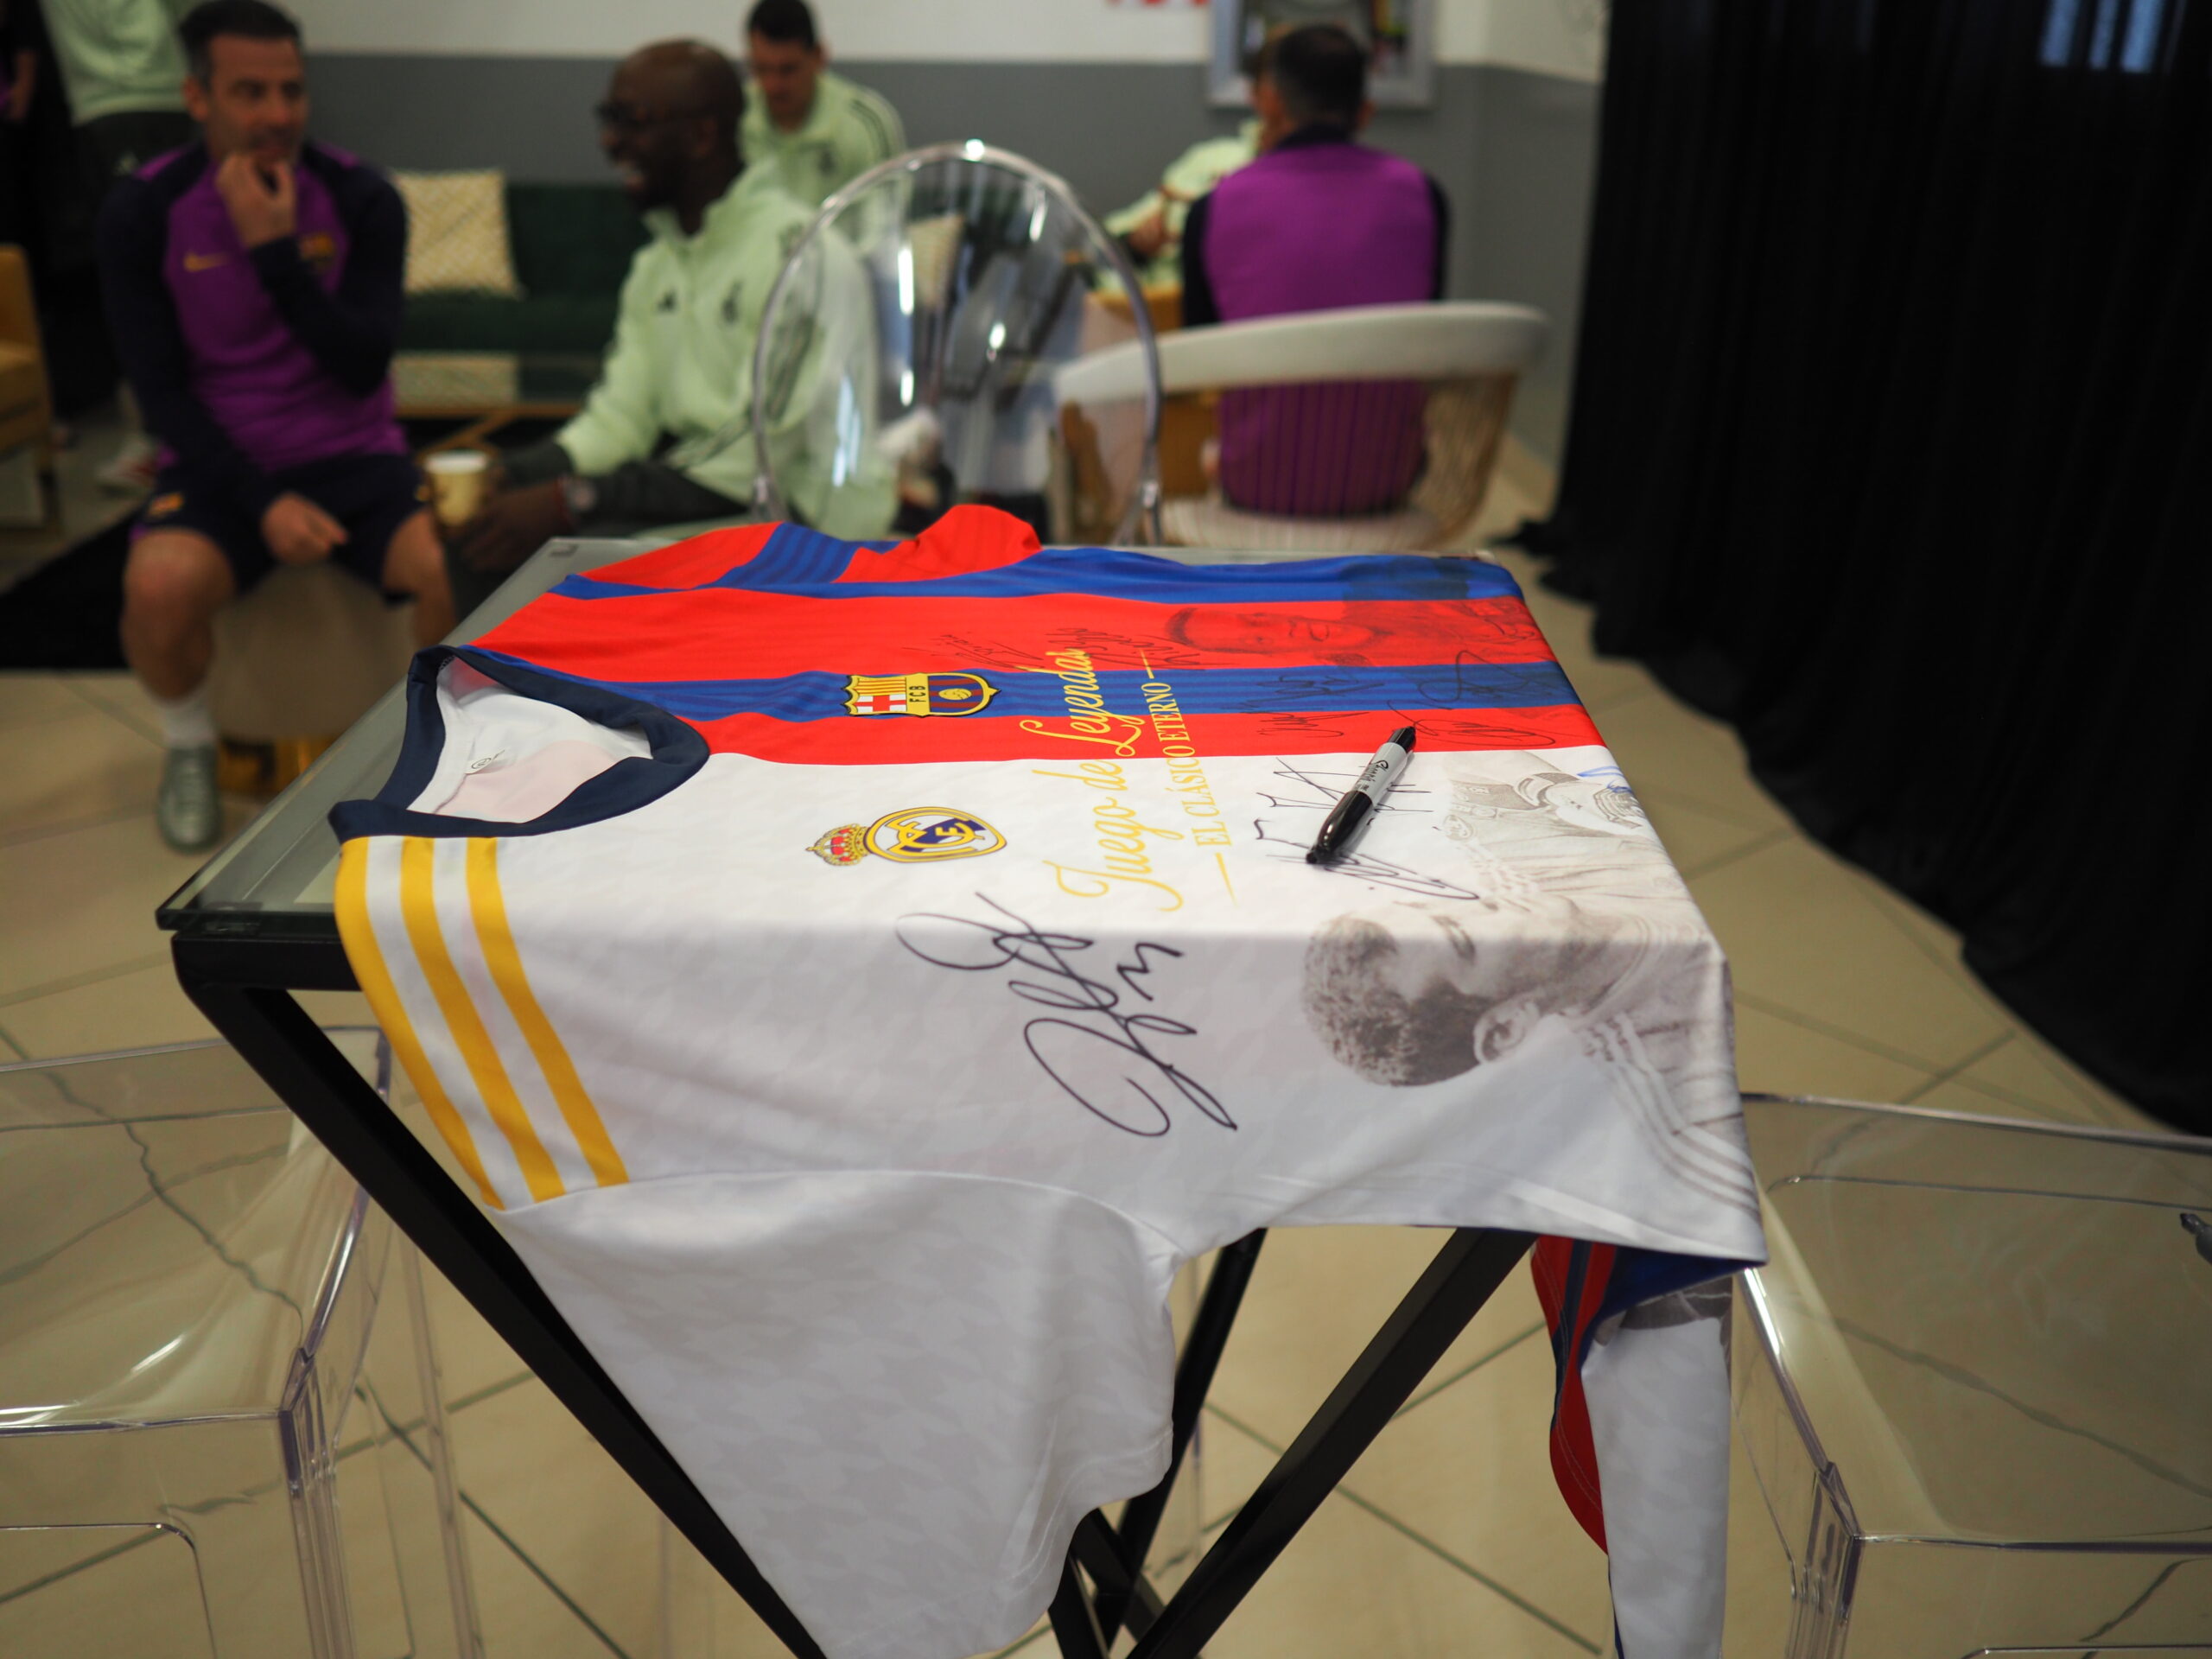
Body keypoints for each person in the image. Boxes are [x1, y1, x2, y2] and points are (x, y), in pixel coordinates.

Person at [97, 0, 449, 852]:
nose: (277, 115)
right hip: (219, 467)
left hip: (357, 454)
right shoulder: (143, 210)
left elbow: (363, 364)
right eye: (249, 92)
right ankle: (189, 745)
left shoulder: (362, 196)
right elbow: (160, 392)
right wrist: (262, 503)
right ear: (198, 97)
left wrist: (274, 252)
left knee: (456, 572)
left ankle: (443, 750)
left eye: (291, 91)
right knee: (155, 590)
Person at [446, 39, 887, 618]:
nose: (610, 142)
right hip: (716, 499)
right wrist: (515, 475)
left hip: (809, 522)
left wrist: (575, 498)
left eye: (633, 121)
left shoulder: (800, 255)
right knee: (486, 537)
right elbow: (620, 419)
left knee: (572, 559)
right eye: (608, 118)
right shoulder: (657, 265)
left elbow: (751, 455)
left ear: (703, 135)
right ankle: (476, 679)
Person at [1180, 24, 1449, 518]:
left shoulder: (1213, 209)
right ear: (1364, 110)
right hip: (1386, 481)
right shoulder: (1424, 197)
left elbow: (1201, 360)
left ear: (1269, 100)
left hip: (1258, 484)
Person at [740, 0, 902, 212]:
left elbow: (886, 219)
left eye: (787, 70)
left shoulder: (865, 122)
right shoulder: (733, 115)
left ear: (818, 56)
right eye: (762, 69)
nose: (773, 85)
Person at [1101, 117, 1257, 290]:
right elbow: (1108, 236)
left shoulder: (1274, 182)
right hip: (1161, 296)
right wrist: (1135, 243)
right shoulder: (1214, 157)